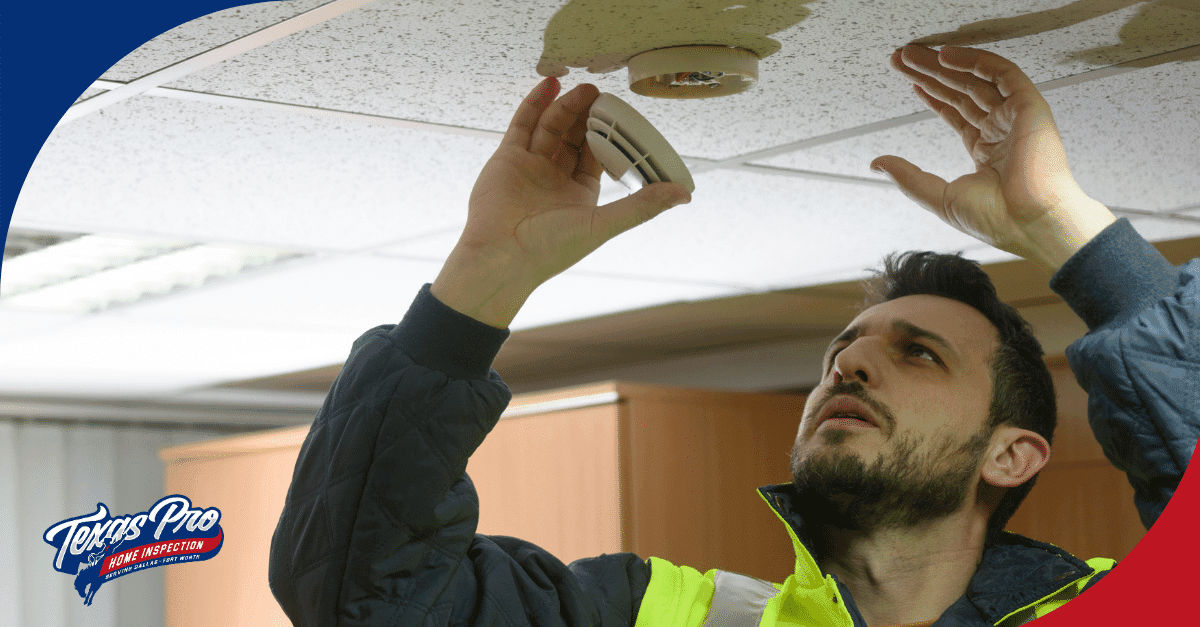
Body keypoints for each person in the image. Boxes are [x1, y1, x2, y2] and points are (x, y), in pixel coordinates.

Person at [267, 45, 1198, 627]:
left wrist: (1061, 223)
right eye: (844, 349)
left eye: (919, 352)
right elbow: (367, 600)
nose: (852, 362)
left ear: (1012, 455)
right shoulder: (670, 615)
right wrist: (487, 270)